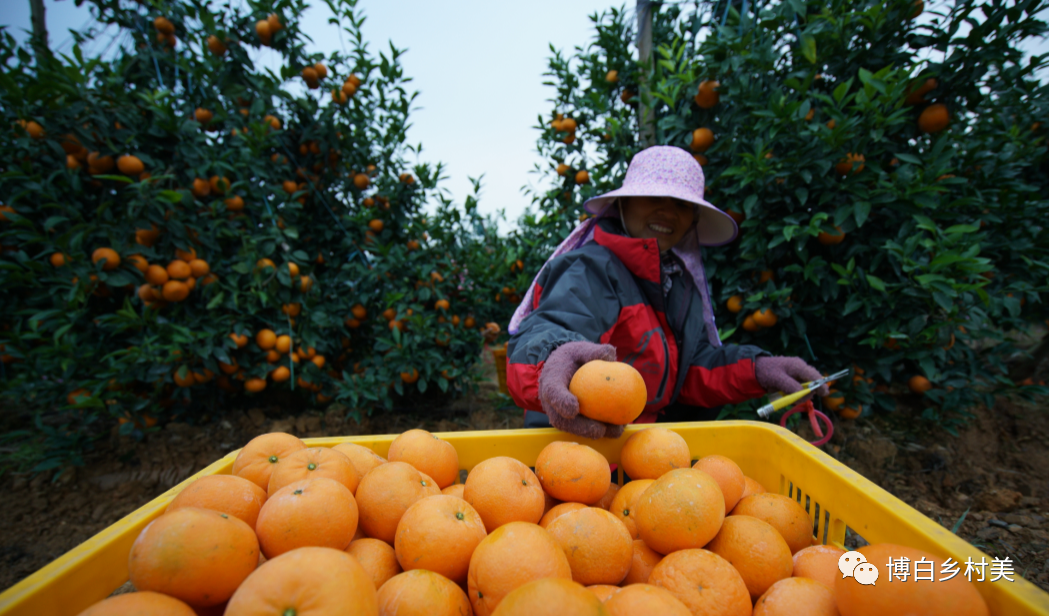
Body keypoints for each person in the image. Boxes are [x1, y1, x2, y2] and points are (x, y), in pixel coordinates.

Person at [505, 145, 829, 439]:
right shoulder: (591, 269)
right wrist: (554, 359)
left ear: (693, 220)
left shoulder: (677, 285)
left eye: (681, 204)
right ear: (624, 203)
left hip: (643, 452)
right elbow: (552, 326)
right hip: (578, 446)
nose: (668, 212)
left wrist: (757, 370)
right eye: (653, 197)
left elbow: (690, 372)